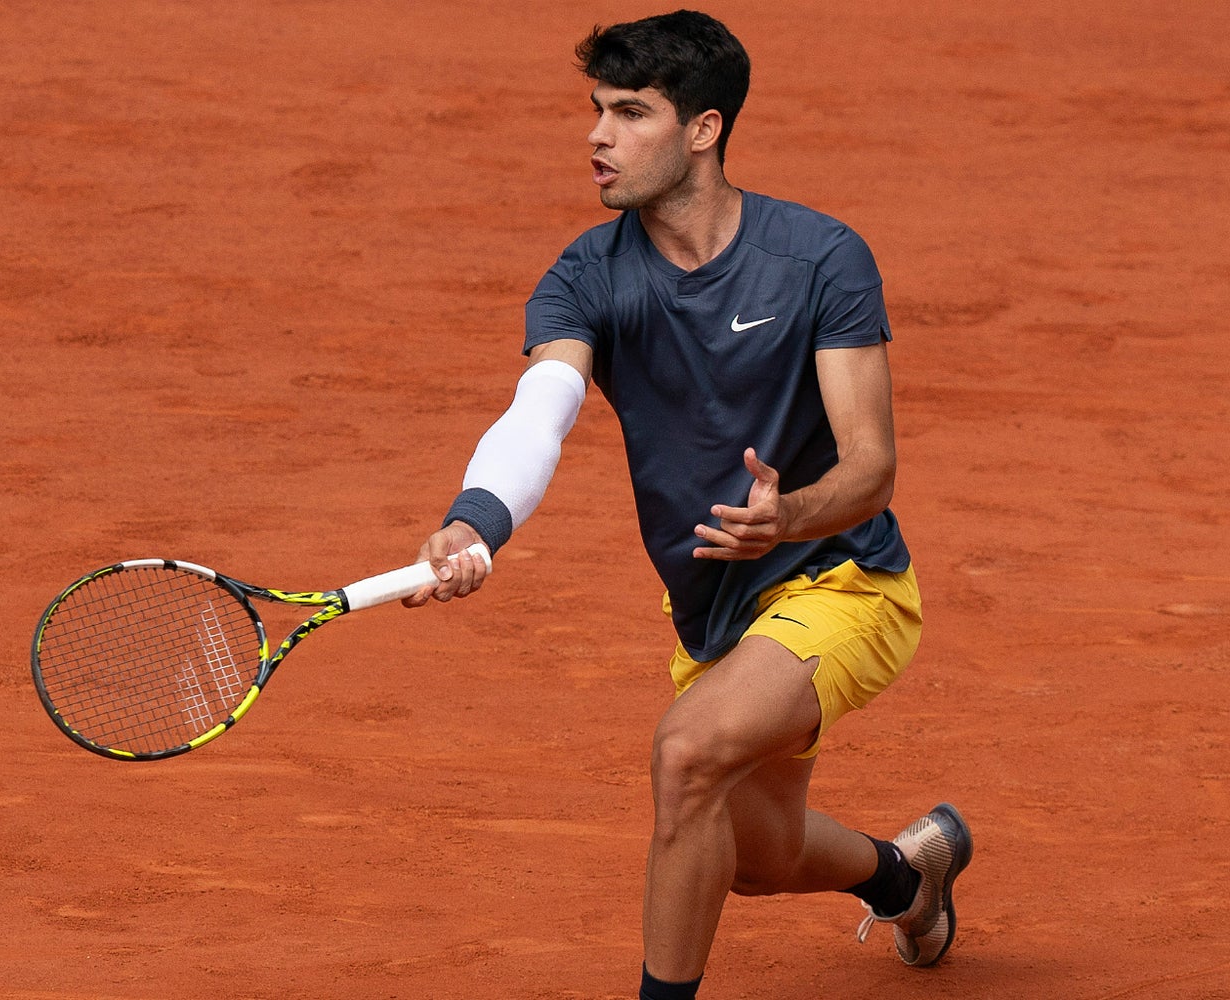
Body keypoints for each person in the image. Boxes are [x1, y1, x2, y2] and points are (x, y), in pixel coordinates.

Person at [402, 11, 972, 998]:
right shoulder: (586, 276)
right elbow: (540, 408)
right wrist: (476, 518)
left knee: (684, 754)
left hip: (844, 580)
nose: (596, 136)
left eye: (629, 113)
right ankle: (905, 875)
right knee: (752, 857)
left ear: (701, 130)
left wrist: (786, 516)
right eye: (594, 111)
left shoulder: (817, 259)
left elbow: (870, 465)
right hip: (715, 613)